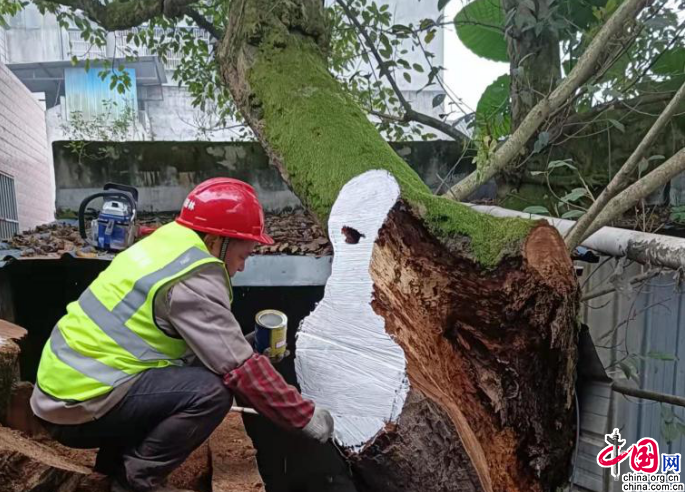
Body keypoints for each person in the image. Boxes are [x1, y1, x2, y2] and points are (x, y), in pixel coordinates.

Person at [30, 178, 334, 492]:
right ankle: (137, 481)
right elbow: (239, 370)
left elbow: (191, 349)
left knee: (189, 380)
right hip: (78, 408)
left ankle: (114, 467)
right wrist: (305, 418)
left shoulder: (169, 244)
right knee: (210, 393)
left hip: (67, 389)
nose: (242, 267)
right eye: (244, 255)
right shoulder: (193, 277)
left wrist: (248, 346)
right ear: (218, 240)